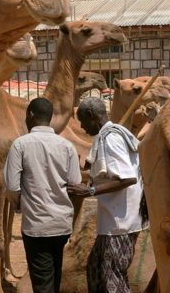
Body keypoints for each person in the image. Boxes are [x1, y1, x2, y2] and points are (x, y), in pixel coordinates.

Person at [68, 97, 148, 293]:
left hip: (120, 222)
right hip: (115, 220)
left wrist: (90, 191)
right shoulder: (109, 136)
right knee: (95, 269)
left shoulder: (111, 139)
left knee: (113, 279)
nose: (82, 127)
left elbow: (128, 178)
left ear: (91, 116)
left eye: (82, 121)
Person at [3, 97, 82, 293]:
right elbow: (75, 184)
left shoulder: (21, 145)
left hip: (36, 226)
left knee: (42, 283)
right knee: (54, 277)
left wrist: (19, 204)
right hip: (62, 224)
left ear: (30, 115)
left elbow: (12, 186)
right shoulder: (67, 146)